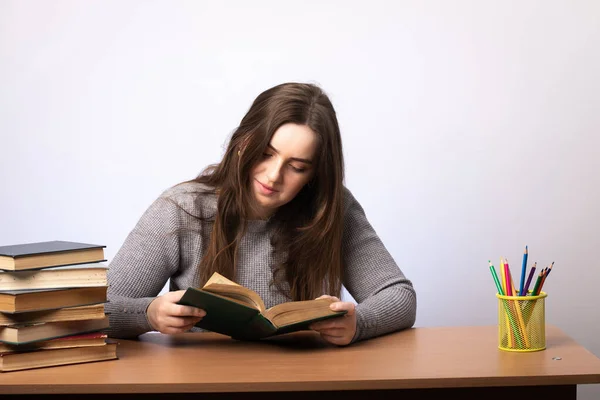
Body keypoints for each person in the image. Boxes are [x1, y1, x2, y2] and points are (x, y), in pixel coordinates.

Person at [105, 82, 416, 346]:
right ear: (243, 142)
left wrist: (356, 323)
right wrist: (149, 314)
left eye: (297, 167)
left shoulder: (332, 209)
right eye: (266, 154)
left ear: (315, 175)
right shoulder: (182, 209)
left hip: (304, 382)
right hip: (201, 384)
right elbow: (94, 311)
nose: (273, 176)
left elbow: (399, 296)